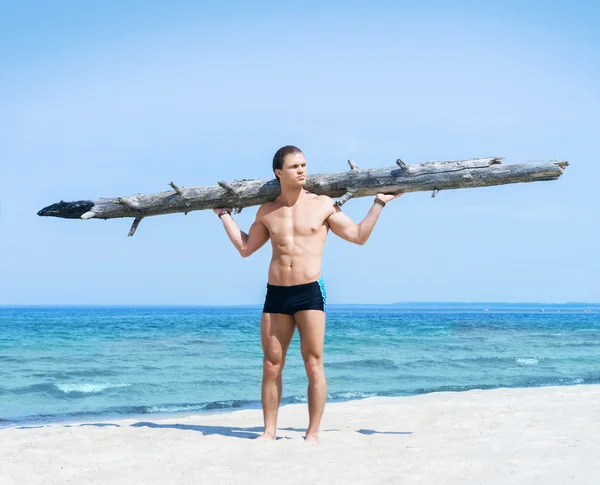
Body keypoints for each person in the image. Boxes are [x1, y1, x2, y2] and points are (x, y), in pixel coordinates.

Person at [213, 145, 402, 443]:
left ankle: (312, 433)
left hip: (309, 293)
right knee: (271, 364)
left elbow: (358, 236)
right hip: (276, 294)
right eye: (294, 166)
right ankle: (269, 432)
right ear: (279, 172)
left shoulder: (323, 204)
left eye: (304, 165)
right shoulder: (267, 210)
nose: (302, 170)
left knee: (313, 362)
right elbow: (246, 248)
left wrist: (379, 203)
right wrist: (223, 215)